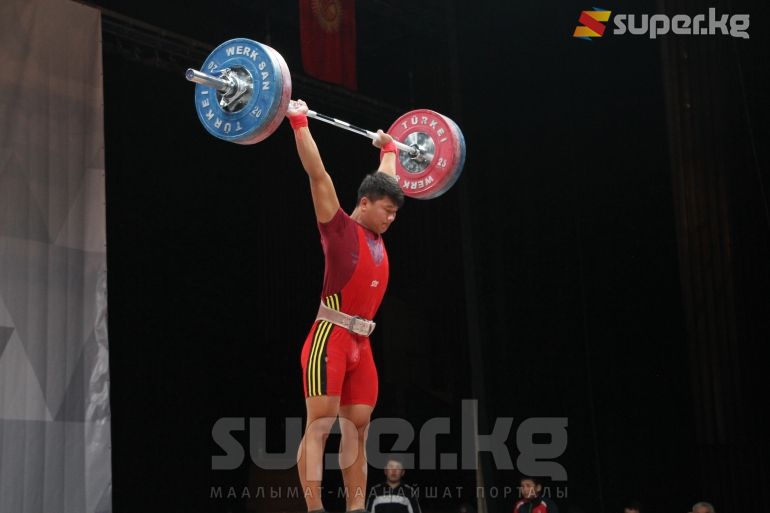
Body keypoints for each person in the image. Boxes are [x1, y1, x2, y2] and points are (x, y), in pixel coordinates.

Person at [287, 99, 404, 513]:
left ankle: (356, 509)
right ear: (365, 203)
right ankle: (315, 509)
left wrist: (389, 149)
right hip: (329, 338)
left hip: (362, 345)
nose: (391, 219)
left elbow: (386, 178)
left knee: (358, 430)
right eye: (387, 211)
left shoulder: (377, 229)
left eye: (395, 214)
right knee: (319, 426)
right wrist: (299, 122)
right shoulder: (337, 229)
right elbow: (317, 173)